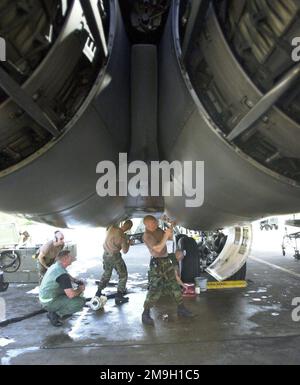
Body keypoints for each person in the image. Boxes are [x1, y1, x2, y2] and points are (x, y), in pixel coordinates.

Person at [142, 215, 192, 326]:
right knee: (155, 290)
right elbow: (158, 248)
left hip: (166, 260)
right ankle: (145, 314)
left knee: (174, 285)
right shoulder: (146, 236)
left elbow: (169, 238)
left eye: (156, 222)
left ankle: (181, 308)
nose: (156, 224)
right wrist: (166, 235)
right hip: (157, 265)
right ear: (147, 225)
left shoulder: (157, 229)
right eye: (153, 223)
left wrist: (171, 227)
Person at [39, 250, 86, 327]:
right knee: (80, 301)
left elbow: (65, 273)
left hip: (45, 297)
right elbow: (71, 295)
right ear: (65, 259)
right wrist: (80, 289)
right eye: (70, 257)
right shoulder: (63, 276)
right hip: (49, 302)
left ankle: (54, 310)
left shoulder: (57, 265)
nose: (72, 258)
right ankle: (56, 315)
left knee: (75, 293)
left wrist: (75, 280)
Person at [95, 220, 134, 305]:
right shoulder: (122, 237)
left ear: (123, 224)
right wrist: (129, 243)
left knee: (106, 273)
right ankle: (119, 296)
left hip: (105, 254)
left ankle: (98, 292)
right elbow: (125, 251)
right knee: (123, 275)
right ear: (129, 228)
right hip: (115, 256)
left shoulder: (112, 227)